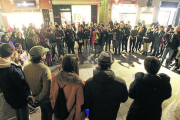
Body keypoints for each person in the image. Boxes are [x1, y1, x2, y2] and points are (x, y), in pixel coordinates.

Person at [84, 51, 128, 120]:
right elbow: (124, 99)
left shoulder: (89, 83)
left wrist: (87, 115)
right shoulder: (121, 83)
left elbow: (86, 104)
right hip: (111, 116)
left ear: (98, 64)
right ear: (110, 65)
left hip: (94, 117)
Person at [0, 43, 30, 120]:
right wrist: (21, 67)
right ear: (12, 53)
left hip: (8, 95)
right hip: (19, 96)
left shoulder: (3, 65)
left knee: (17, 112)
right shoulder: (12, 67)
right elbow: (21, 83)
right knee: (24, 114)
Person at [50, 54, 85, 120]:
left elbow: (51, 96)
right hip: (71, 117)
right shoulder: (78, 83)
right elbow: (79, 106)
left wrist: (56, 109)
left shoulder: (55, 79)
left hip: (57, 116)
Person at [23, 46, 53, 120]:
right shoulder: (44, 69)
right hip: (46, 99)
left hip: (36, 95)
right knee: (50, 115)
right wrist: (36, 99)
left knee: (44, 113)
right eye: (44, 53)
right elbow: (46, 90)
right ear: (41, 56)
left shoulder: (26, 67)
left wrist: (35, 98)